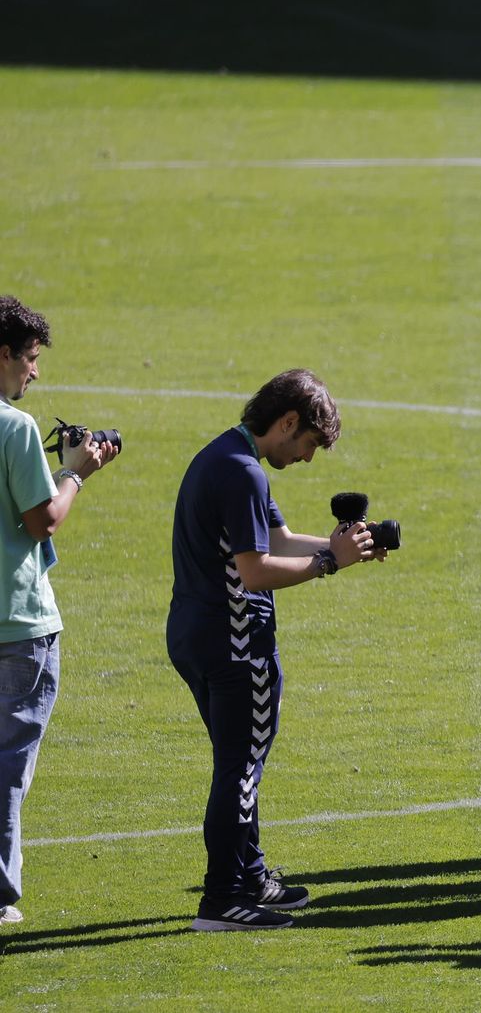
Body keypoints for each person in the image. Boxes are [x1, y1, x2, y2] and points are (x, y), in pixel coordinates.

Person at [168, 369, 385, 931]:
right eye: (309, 442)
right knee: (240, 769)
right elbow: (256, 570)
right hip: (237, 643)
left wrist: (347, 546)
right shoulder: (243, 473)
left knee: (237, 762)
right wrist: (329, 563)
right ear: (287, 422)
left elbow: (278, 540)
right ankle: (222, 900)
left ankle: (249, 876)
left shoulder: (225, 455)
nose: (308, 457)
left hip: (196, 633)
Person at [0, 296, 119, 929]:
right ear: (4, 355)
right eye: (30, 358)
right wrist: (74, 473)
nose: (35, 371)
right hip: (18, 623)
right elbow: (41, 519)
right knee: (7, 766)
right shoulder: (15, 427)